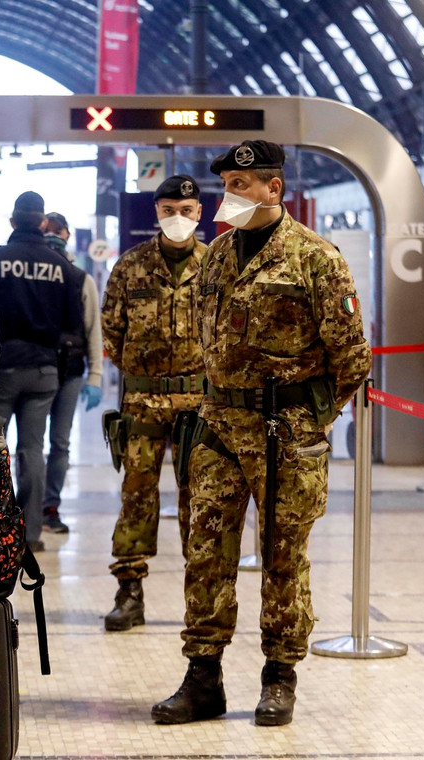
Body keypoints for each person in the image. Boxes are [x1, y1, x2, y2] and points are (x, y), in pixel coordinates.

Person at [152, 141, 371, 727]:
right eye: (227, 183)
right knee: (206, 552)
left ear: (275, 188)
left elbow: (352, 356)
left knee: (283, 553)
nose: (231, 194)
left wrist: (310, 419)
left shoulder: (315, 258)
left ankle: (280, 675)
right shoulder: (217, 255)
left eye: (243, 184)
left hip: (284, 432)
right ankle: (203, 677)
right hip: (220, 426)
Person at [99, 175, 208, 631]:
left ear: (199, 213)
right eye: (168, 210)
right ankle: (130, 592)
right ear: (156, 213)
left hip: (200, 402)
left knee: (199, 499)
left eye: (185, 210)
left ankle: (200, 597)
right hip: (143, 400)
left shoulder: (217, 264)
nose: (176, 218)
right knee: (136, 497)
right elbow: (111, 328)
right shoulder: (130, 266)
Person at [0, 192, 84, 553]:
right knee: (32, 450)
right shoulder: (64, 269)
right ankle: (31, 533)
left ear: (13, 221)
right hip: (45, 370)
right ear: (43, 223)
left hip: (2, 368)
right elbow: (74, 323)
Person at [40, 211, 103, 534]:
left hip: (70, 371)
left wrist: (95, 376)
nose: (52, 237)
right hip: (37, 367)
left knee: (60, 442)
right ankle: (31, 504)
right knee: (34, 443)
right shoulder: (32, 274)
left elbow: (93, 331)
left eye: (57, 232)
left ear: (66, 235)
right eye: (47, 231)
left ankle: (49, 506)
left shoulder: (81, 279)